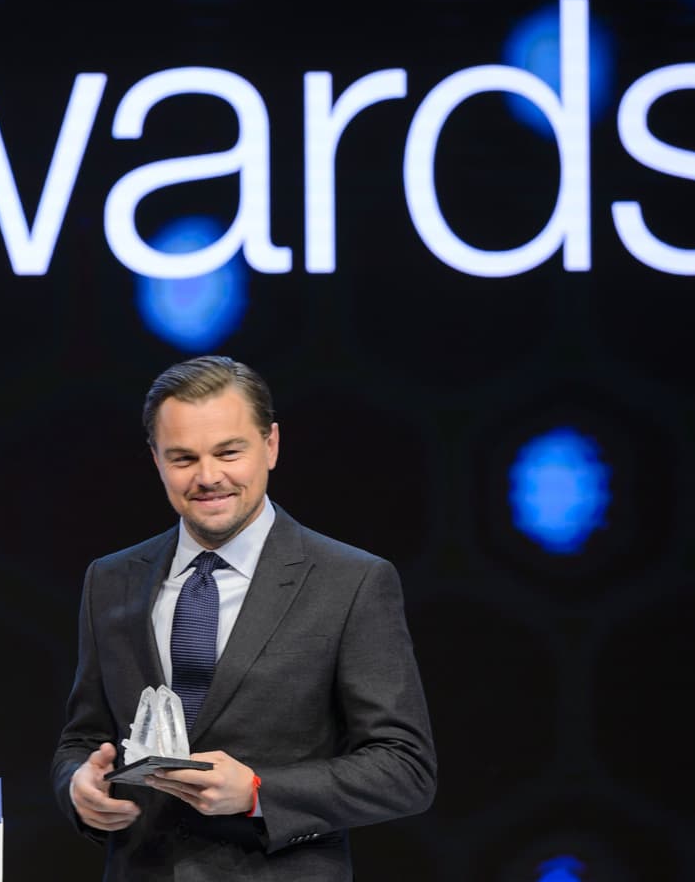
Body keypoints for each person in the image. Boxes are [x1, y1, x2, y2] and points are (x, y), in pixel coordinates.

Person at [52, 356, 436, 880]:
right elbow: (82, 737)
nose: (209, 477)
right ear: (155, 459)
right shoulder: (110, 578)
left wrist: (259, 791)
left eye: (229, 452)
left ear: (271, 445)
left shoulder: (352, 581)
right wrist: (79, 786)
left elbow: (404, 769)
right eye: (183, 457)